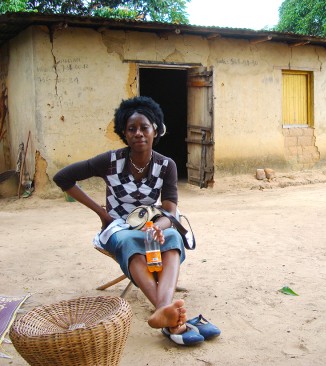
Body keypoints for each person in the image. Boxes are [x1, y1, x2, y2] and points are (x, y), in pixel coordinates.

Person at [53, 96, 209, 345]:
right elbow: (63, 178)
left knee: (171, 236)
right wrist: (102, 213)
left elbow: (170, 209)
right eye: (131, 129)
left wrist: (158, 227)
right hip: (117, 226)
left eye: (144, 127)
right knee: (128, 241)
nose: (138, 133)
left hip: (152, 223)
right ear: (124, 134)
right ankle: (167, 311)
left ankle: (163, 311)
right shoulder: (110, 161)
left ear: (155, 130)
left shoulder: (166, 165)